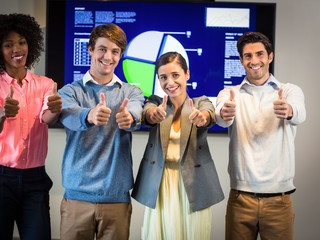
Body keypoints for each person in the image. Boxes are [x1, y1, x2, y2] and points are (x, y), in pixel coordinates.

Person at [0, 13, 62, 240]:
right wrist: (3, 113)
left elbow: (47, 118)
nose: (17, 49)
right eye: (9, 45)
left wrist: (56, 107)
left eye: (22, 42)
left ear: (30, 44)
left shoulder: (45, 84)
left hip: (35, 180)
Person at [215, 32, 306, 240]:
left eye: (260, 54)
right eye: (248, 56)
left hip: (279, 201)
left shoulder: (289, 91)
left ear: (270, 56)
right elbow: (221, 116)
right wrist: (223, 113)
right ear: (241, 60)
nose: (254, 61)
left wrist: (289, 110)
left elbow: (300, 113)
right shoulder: (229, 94)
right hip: (240, 199)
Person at [58, 23, 144, 240]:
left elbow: (136, 110)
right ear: (90, 50)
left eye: (115, 51)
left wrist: (130, 117)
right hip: (77, 198)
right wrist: (89, 115)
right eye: (102, 49)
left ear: (121, 55)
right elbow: (68, 115)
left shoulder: (131, 91)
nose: (108, 56)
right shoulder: (69, 91)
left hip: (116, 199)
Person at [131, 51, 224, 240]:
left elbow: (209, 113)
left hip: (193, 184)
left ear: (187, 74)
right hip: (161, 184)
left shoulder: (200, 102)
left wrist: (202, 117)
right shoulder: (156, 103)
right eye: (163, 77)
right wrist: (152, 115)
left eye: (175, 75)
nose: (170, 83)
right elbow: (148, 112)